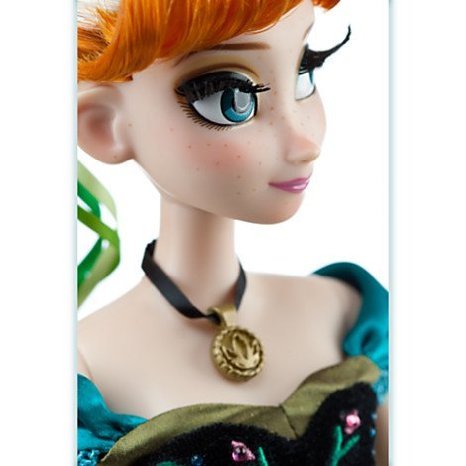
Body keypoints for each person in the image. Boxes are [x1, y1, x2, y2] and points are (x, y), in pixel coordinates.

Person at [77, 0, 388, 465]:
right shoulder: (84, 374)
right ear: (104, 126)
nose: (304, 142)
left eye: (304, 70)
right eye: (232, 97)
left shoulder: (350, 316)